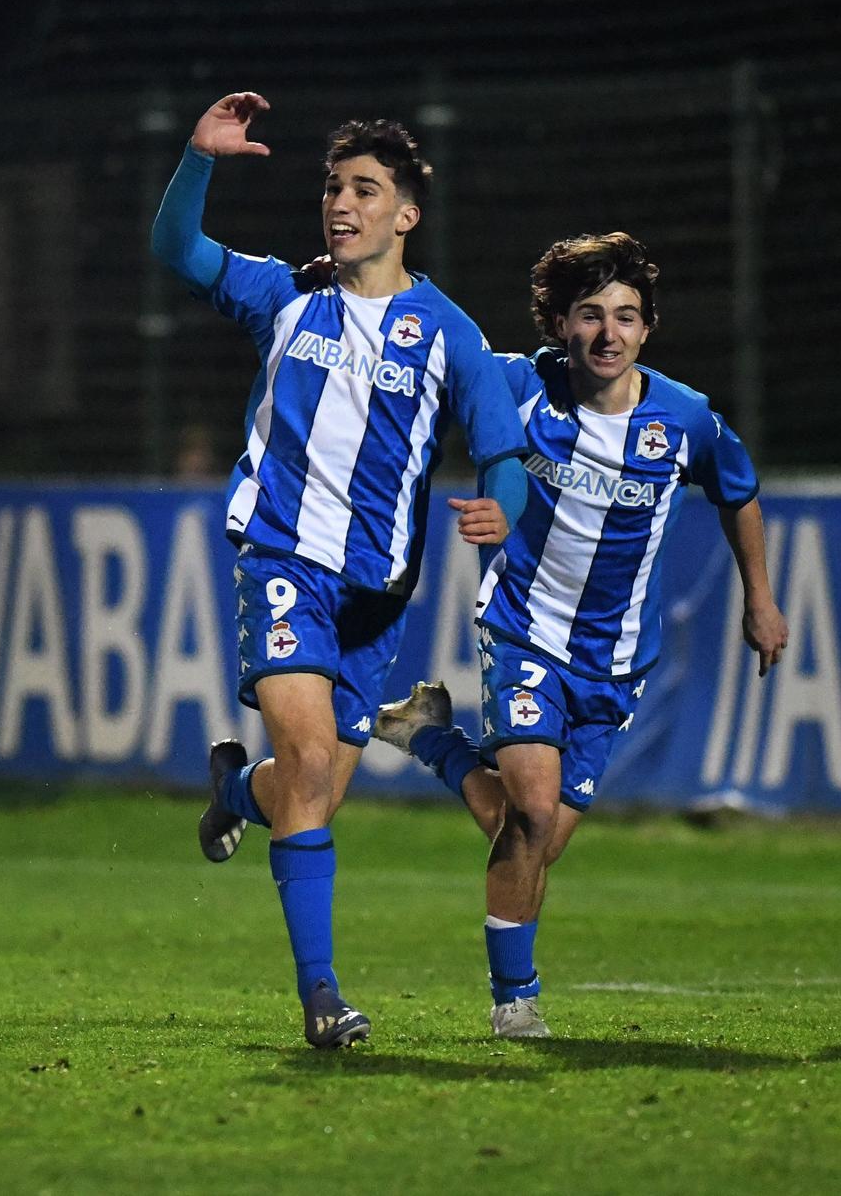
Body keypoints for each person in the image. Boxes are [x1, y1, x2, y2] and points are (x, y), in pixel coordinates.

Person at [151, 92, 529, 1048]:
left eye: (364, 188)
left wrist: (503, 508)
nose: (340, 203)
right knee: (314, 764)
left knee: (306, 792)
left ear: (406, 213)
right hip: (282, 560)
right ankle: (321, 998)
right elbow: (177, 250)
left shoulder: (449, 333)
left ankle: (236, 790)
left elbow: (502, 451)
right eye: (332, 187)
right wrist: (199, 158)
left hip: (375, 600)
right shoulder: (285, 295)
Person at [371, 231, 788, 1038]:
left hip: (617, 661)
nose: (609, 333)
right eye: (590, 314)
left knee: (535, 837)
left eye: (626, 317)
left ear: (647, 328)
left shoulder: (685, 418)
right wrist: (369, 280)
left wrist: (760, 600)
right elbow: (432, 356)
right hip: (524, 629)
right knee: (528, 810)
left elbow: (739, 493)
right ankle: (514, 999)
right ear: (560, 322)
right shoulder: (519, 387)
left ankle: (435, 742)